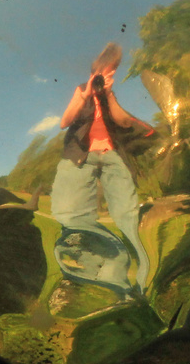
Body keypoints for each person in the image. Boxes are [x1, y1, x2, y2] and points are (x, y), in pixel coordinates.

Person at [51, 42, 153, 294]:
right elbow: (65, 122)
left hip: (111, 155)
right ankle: (102, 282)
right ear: (95, 71)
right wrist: (85, 95)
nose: (107, 77)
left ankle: (142, 286)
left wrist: (107, 94)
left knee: (128, 216)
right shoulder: (81, 90)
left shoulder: (109, 96)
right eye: (104, 72)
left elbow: (124, 122)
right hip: (79, 155)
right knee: (70, 214)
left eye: (112, 73)